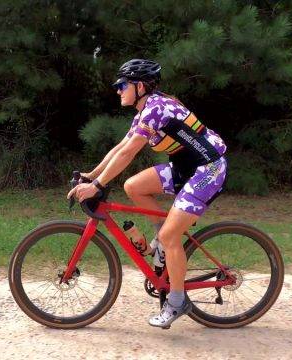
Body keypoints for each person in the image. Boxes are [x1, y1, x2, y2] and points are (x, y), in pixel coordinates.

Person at [66, 59, 227, 328]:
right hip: (186, 167)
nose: (117, 90)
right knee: (133, 186)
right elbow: (121, 146)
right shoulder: (145, 110)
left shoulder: (155, 109)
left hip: (208, 169)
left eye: (122, 85)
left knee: (169, 235)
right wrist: (93, 175)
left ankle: (177, 301)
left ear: (140, 86)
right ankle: (163, 244)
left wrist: (97, 187)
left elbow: (129, 153)